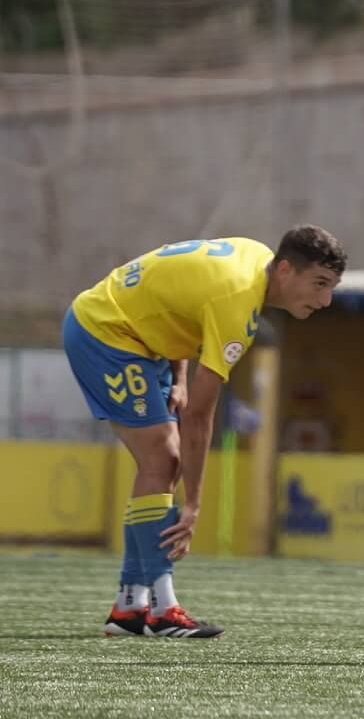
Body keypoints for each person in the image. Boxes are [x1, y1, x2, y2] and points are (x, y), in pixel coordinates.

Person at [63, 226, 346, 638]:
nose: (326, 301)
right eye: (320, 284)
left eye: (332, 287)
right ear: (285, 270)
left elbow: (182, 302)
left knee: (161, 463)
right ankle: (161, 611)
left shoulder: (254, 257)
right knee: (163, 458)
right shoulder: (239, 302)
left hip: (138, 333)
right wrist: (193, 505)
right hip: (106, 331)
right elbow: (199, 415)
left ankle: (130, 606)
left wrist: (178, 377)